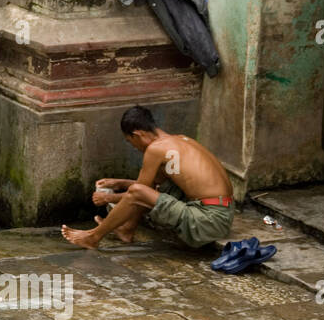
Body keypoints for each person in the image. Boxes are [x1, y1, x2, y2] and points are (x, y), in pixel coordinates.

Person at [61, 105, 235, 250]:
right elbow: (148, 187)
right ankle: (126, 229)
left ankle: (93, 237)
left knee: (138, 192)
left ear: (137, 134)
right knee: (157, 181)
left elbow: (139, 193)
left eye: (131, 142)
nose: (135, 148)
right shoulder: (180, 140)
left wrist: (109, 198)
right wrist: (119, 182)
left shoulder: (155, 149)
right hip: (223, 214)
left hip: (207, 221)